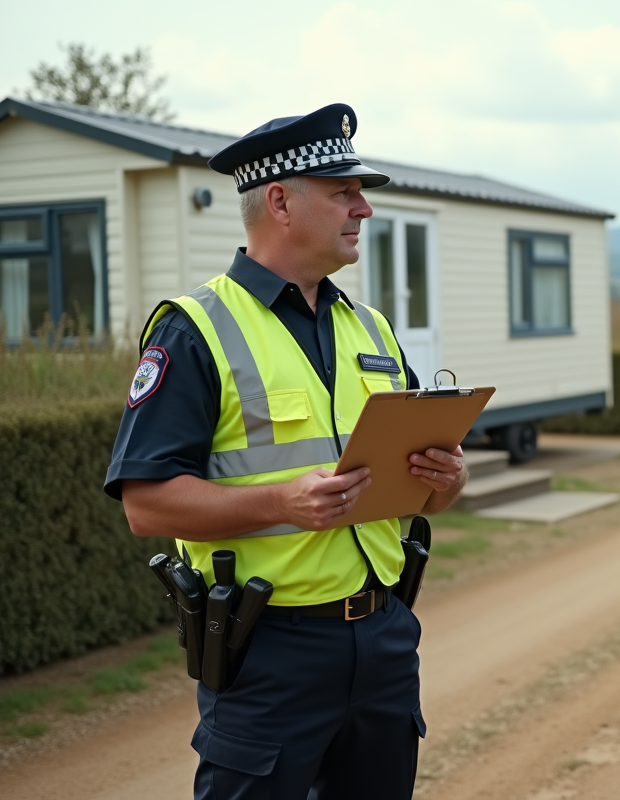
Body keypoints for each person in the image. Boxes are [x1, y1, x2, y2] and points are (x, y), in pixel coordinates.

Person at [104, 103, 466, 800]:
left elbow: (432, 495)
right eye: (343, 192)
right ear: (279, 202)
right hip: (268, 650)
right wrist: (281, 503)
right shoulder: (195, 329)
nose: (363, 209)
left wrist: (447, 479)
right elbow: (145, 507)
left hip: (384, 636)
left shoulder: (371, 328)